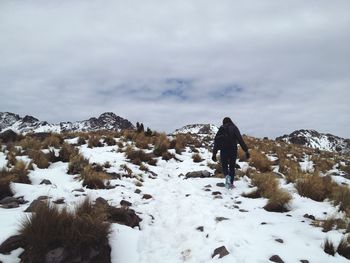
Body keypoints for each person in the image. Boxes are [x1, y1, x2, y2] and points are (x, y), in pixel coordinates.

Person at [212, 117, 250, 189]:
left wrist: (214, 153)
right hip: (233, 149)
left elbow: (216, 141)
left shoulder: (222, 128)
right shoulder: (234, 128)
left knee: (224, 166)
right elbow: (240, 140)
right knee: (232, 167)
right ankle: (231, 184)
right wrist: (246, 151)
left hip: (223, 150)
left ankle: (226, 176)